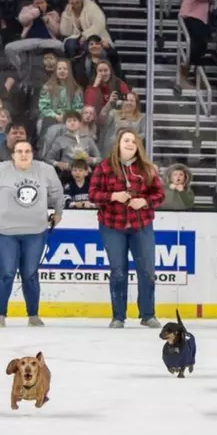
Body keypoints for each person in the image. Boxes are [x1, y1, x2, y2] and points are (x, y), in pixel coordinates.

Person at [0, 139, 64, 328]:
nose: (23, 155)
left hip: (35, 231)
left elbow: (58, 193)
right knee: (7, 272)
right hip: (4, 231)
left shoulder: (45, 170)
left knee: (30, 274)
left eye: (27, 151)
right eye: (19, 151)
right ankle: (0, 314)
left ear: (33, 153)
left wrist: (58, 213)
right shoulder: (0, 170)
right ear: (13, 154)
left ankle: (33, 314)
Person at [88, 129, 164, 329]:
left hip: (142, 226)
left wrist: (145, 201)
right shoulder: (104, 167)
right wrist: (113, 196)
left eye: (133, 141)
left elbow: (159, 195)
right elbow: (93, 195)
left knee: (147, 270)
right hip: (112, 226)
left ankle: (148, 314)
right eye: (126, 140)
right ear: (118, 144)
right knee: (118, 271)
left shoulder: (147, 168)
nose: (130, 144)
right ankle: (118, 316)